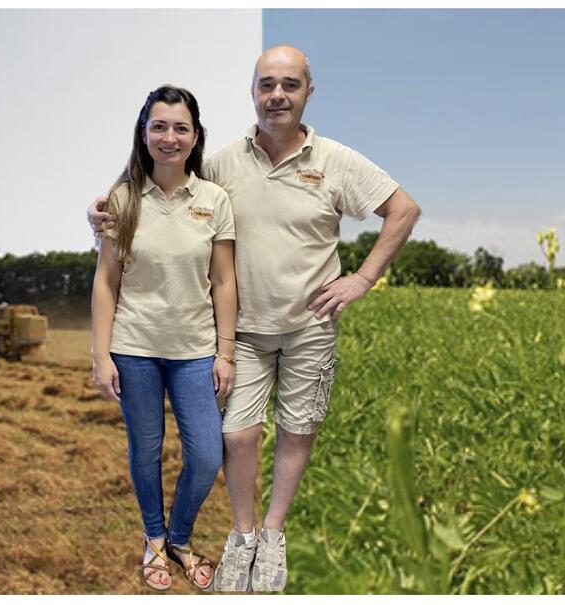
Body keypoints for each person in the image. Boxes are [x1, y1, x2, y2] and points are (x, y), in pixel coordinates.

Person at [89, 46, 421, 592]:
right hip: (239, 333)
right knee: (236, 437)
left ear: (308, 92)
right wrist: (94, 216)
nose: (278, 95)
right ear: (252, 91)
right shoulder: (221, 164)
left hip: (308, 327)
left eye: (290, 85)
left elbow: (403, 209)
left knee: (296, 431)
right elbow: (152, 205)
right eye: (267, 84)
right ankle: (237, 535)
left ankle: (271, 537)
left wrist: (362, 279)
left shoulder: (335, 159)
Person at [90, 85, 238, 591]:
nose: (169, 137)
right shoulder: (122, 201)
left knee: (205, 455)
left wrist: (225, 352)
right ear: (144, 132)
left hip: (196, 351)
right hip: (133, 350)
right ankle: (154, 538)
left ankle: (179, 535)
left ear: (195, 137)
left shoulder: (215, 200)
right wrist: (101, 356)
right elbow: (106, 283)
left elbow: (224, 281)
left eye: (180, 127)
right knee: (145, 449)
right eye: (159, 126)